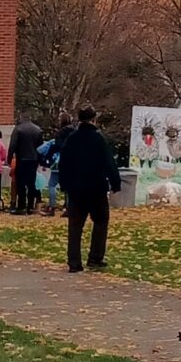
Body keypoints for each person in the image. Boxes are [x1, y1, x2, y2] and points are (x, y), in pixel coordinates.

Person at [59, 108, 120, 272]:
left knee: (75, 225)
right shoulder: (98, 139)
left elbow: (64, 163)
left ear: (79, 120)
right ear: (94, 120)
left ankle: (74, 262)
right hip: (96, 188)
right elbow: (109, 162)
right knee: (101, 221)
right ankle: (95, 257)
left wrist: (64, 184)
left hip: (76, 189)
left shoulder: (72, 139)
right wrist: (115, 183)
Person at [10, 117, 44, 214]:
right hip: (33, 160)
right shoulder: (37, 130)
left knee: (20, 184)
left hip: (21, 160)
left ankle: (21, 206)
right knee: (31, 184)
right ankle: (30, 206)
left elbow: (13, 145)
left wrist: (9, 158)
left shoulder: (18, 129)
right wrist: (41, 161)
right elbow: (41, 147)